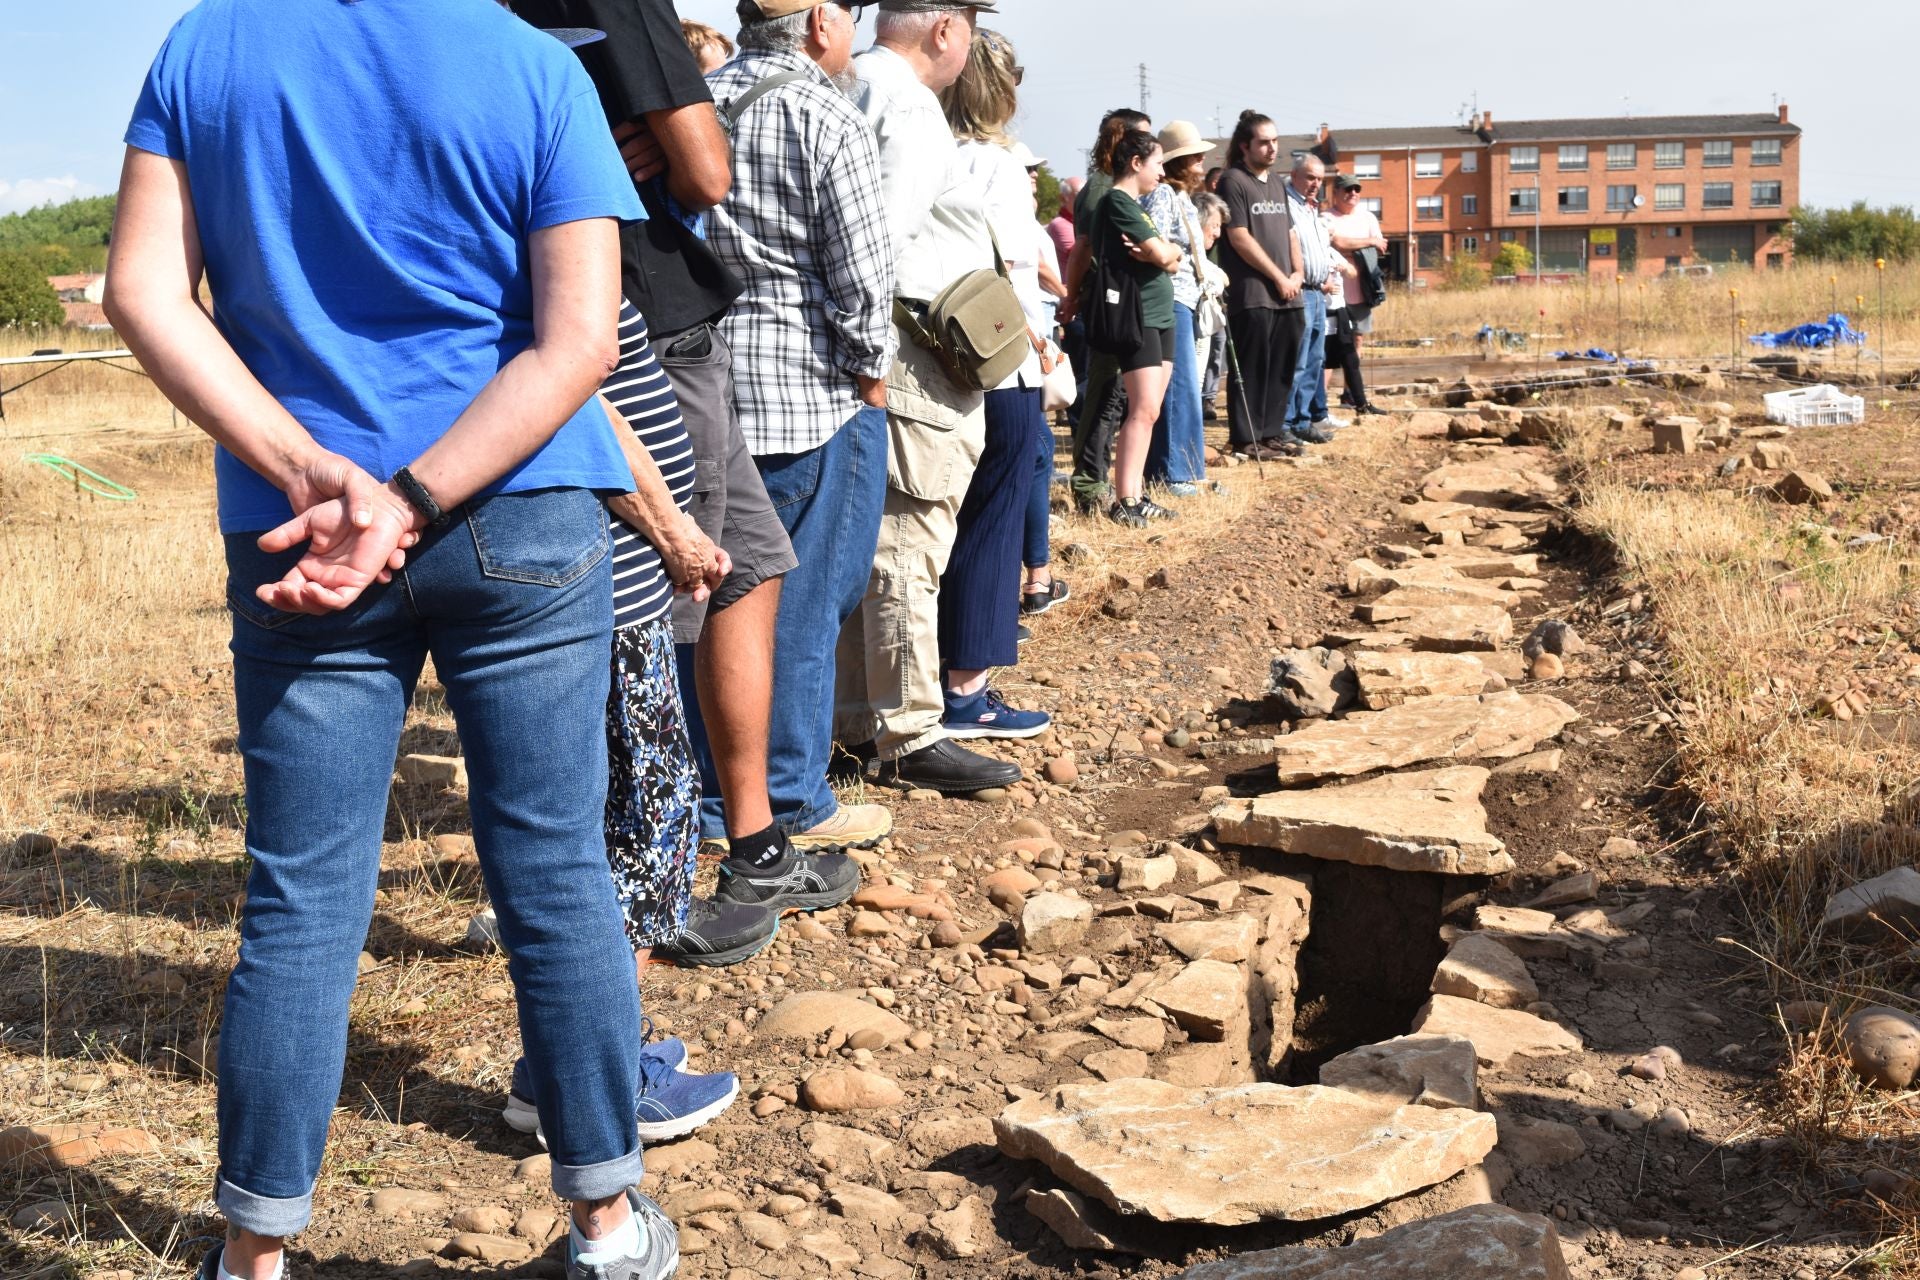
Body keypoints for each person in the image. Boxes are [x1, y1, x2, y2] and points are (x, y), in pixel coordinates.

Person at [109, 4, 677, 1278]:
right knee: (555, 869)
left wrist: (320, 474)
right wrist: (416, 498)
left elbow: (144, 290)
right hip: (517, 513)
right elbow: (579, 340)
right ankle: (607, 1227)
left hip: (298, 533)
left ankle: (253, 1259)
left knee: (302, 899)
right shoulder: (537, 66)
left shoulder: (208, 47)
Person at [706, 0, 899, 861]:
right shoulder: (826, 112)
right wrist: (873, 371)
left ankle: (717, 794)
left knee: (714, 601)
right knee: (808, 604)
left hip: (707, 390)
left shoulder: (697, 102)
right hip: (811, 393)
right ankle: (791, 795)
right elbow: (862, 274)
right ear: (822, 21)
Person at [841, 0, 1030, 797]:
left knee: (879, 547)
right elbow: (875, 243)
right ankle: (910, 731)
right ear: (947, 30)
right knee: (909, 544)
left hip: (903, 353)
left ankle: (857, 721)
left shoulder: (853, 84)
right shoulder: (909, 106)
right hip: (915, 358)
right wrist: (871, 360)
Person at [931, 30, 1051, 743]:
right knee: (995, 519)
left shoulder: (934, 153)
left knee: (955, 520)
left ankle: (949, 672)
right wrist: (1039, 345)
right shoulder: (998, 166)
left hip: (948, 359)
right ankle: (969, 687)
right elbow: (1013, 271)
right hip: (1004, 357)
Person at [1076, 129, 1184, 528]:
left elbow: (1170, 254)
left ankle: (1136, 493)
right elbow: (1161, 253)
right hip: (1139, 318)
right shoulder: (1117, 202)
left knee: (1150, 410)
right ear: (1136, 163)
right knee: (1143, 408)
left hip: (1161, 314)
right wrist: (1165, 253)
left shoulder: (1137, 206)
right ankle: (1127, 500)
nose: (1162, 173)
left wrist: (1167, 253)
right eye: (1157, 164)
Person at [1058, 108, 1152, 512]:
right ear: (1124, 141)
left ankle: (1100, 480)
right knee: (1104, 395)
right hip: (1108, 305)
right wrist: (1072, 295)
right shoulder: (1100, 190)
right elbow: (1083, 250)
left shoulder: (1110, 186)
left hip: (1121, 303)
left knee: (1114, 396)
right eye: (1144, 139)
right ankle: (1090, 485)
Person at [1216, 109, 1306, 459]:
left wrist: (1297, 273)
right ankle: (1246, 438)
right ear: (1244, 146)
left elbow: (1289, 232)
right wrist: (1278, 277)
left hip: (1288, 294)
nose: (1272, 148)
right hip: (1253, 293)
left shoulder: (1278, 184)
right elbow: (1239, 237)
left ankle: (1271, 433)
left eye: (1275, 141)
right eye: (1264, 142)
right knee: (1253, 369)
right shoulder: (1233, 181)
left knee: (1281, 368)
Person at [1141, 120, 1213, 497]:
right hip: (1171, 300)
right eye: (1195, 156)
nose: (1202, 162)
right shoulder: (1164, 196)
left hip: (1185, 299)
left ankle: (1184, 468)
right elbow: (1150, 241)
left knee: (1184, 387)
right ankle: (1172, 474)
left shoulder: (1180, 197)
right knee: (1178, 388)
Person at [1021, 146, 1070, 617]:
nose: (1034, 176)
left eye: (1036, 169)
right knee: (1035, 452)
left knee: (1038, 451)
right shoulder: (1011, 214)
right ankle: (1037, 576)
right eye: (1026, 170)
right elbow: (1023, 272)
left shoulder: (1030, 218)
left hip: (1033, 340)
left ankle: (1038, 575)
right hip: (1018, 346)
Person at [1281, 153, 1350, 443]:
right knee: (1296, 362)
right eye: (1310, 177)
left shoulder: (1311, 208)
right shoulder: (1286, 205)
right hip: (1302, 292)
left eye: (1320, 179)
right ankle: (1284, 424)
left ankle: (1303, 420)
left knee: (1314, 360)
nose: (1315, 184)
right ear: (1294, 175)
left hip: (1319, 293)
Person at [1326, 175, 1389, 415]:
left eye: (1356, 189)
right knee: (1330, 345)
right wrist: (1366, 242)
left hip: (1362, 290)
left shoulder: (1368, 217)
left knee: (1357, 341)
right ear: (1336, 192)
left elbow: (1380, 245)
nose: (1353, 193)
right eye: (1347, 189)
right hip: (1334, 292)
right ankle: (1320, 398)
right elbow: (1337, 243)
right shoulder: (1326, 217)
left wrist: (1362, 244)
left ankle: (1350, 393)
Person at [1193, 189, 1230, 422]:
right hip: (1192, 334)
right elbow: (1219, 279)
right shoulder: (1189, 257)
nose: (1217, 233)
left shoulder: (1203, 259)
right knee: (1191, 384)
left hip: (1203, 334)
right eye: (1214, 225)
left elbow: (1224, 279)